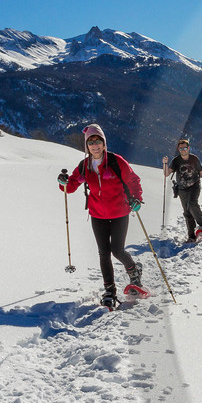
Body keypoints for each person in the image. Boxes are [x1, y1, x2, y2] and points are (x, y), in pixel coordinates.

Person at [59, 123, 146, 310]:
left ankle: (134, 271)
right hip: (97, 214)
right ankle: (109, 291)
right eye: (91, 142)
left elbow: (133, 180)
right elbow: (72, 185)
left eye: (98, 141)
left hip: (120, 212)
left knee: (117, 250)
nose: (95, 145)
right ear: (87, 146)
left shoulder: (116, 162)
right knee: (103, 253)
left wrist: (136, 198)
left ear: (104, 143)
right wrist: (63, 183)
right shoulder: (85, 166)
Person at [162, 139, 202, 243]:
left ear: (188, 148)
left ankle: (201, 224)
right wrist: (165, 164)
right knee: (187, 212)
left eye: (185, 148)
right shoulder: (176, 161)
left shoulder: (194, 159)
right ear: (178, 149)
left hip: (194, 186)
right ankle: (191, 236)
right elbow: (167, 173)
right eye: (181, 148)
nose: (183, 150)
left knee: (192, 204)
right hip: (181, 189)